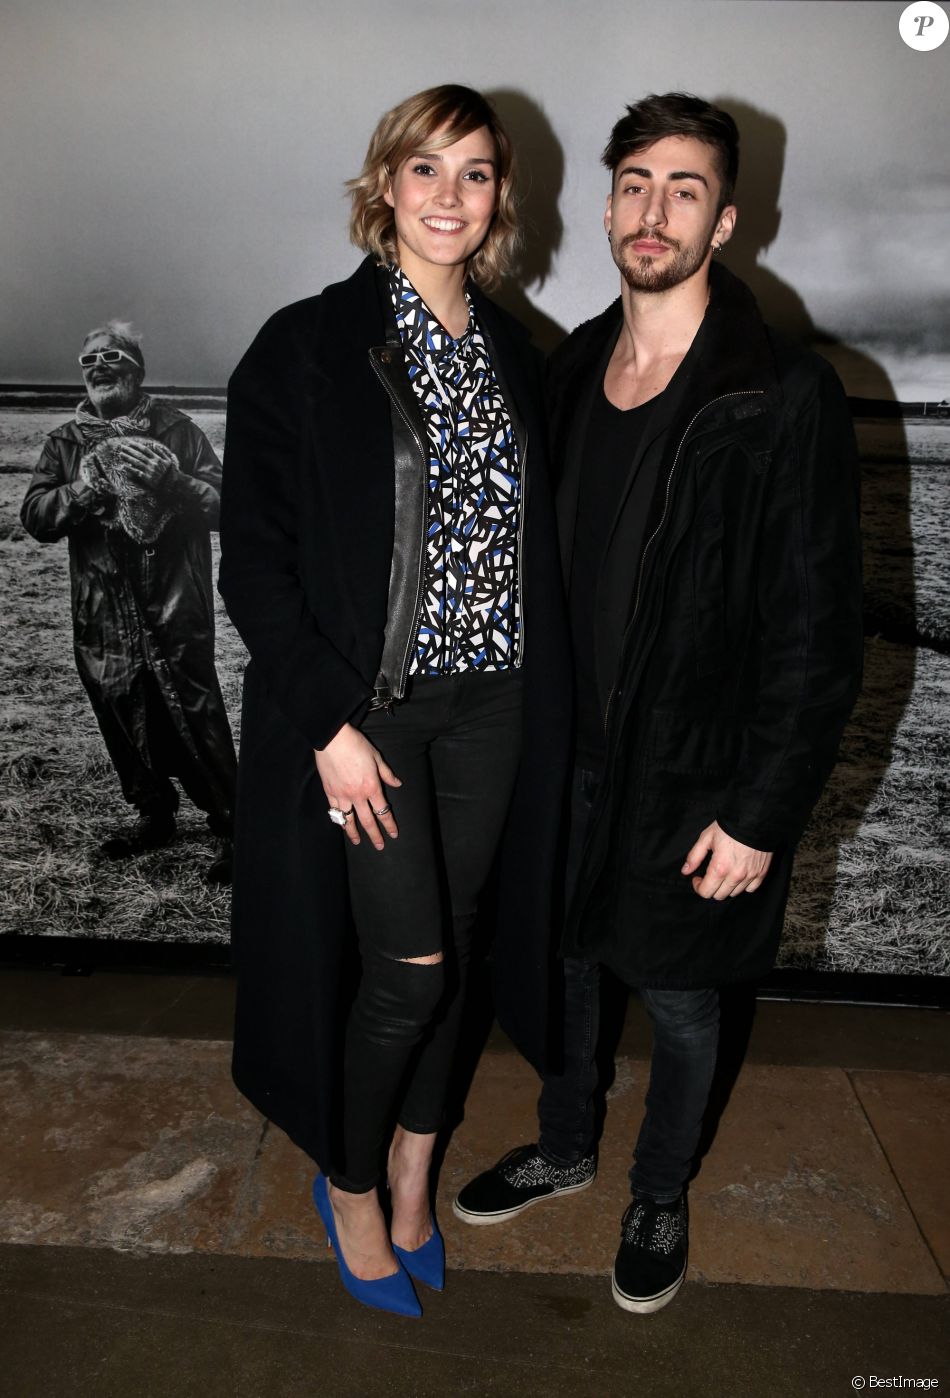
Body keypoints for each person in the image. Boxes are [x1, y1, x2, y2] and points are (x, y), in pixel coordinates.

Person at [453, 93, 863, 1316]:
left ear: (726, 219)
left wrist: (758, 813)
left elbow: (814, 633)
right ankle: (567, 1140)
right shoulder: (570, 364)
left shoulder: (778, 394)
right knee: (567, 959)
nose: (653, 209)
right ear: (606, 202)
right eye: (635, 182)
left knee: (681, 997)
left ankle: (658, 1190)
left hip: (694, 768)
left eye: (684, 188)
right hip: (562, 748)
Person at [218, 85, 569, 1317]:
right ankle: (354, 1183)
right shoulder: (305, 344)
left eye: (474, 174)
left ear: (498, 201)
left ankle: (419, 1165)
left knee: (460, 949)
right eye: (424, 169)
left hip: (495, 707)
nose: (447, 196)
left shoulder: (518, 352)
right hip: (369, 715)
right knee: (408, 971)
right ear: (383, 186)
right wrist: (327, 724)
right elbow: (250, 561)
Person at [20, 321, 236, 883]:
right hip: (101, 609)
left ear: (136, 370)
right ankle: (153, 813)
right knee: (119, 705)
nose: (97, 365)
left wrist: (176, 484)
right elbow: (36, 516)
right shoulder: (64, 443)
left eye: (110, 356)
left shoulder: (179, 431)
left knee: (193, 708)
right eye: (87, 359)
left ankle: (233, 820)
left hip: (173, 601)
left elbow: (226, 507)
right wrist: (84, 491)